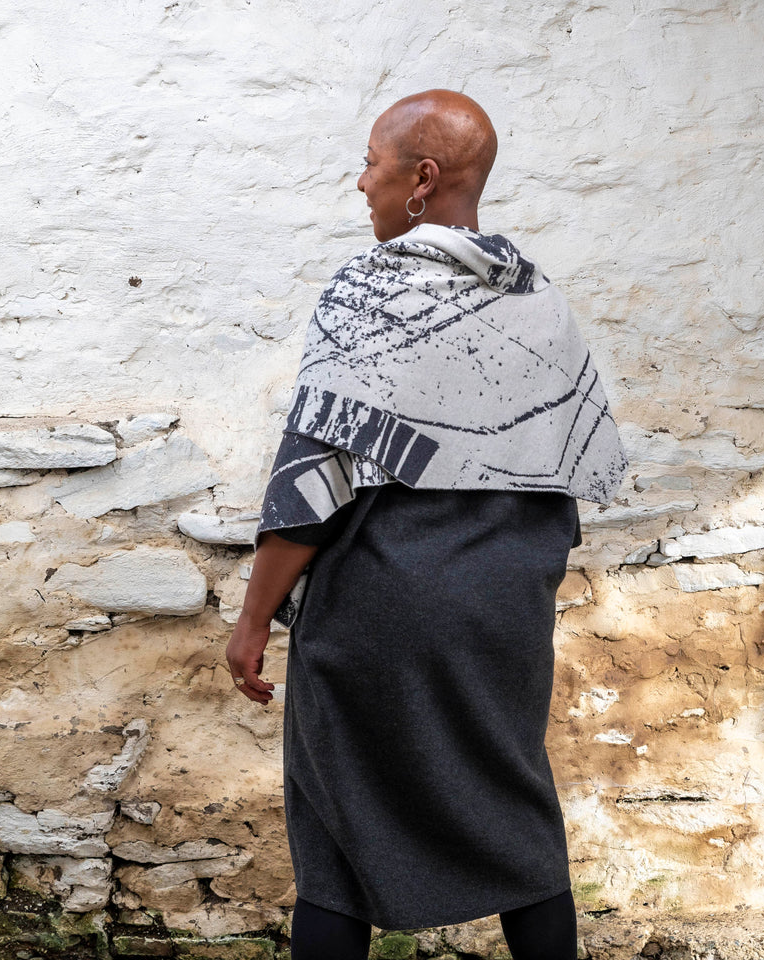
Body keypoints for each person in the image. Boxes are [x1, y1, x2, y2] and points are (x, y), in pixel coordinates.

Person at [226, 90, 627, 960]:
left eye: (373, 161)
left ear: (423, 178)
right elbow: (565, 471)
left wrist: (256, 616)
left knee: (339, 837)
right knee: (514, 811)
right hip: (504, 607)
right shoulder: (538, 299)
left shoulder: (373, 292)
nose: (360, 180)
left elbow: (315, 478)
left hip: (382, 598)